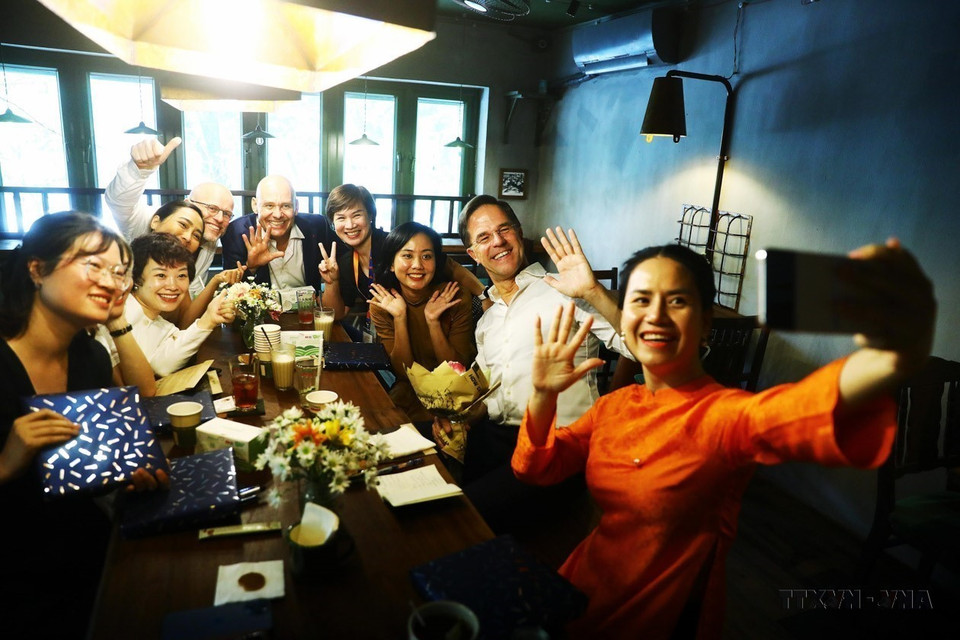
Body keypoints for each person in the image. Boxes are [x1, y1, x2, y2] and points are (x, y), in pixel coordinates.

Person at [512, 241, 936, 639]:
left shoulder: (725, 415)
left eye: (677, 300)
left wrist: (893, 354)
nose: (656, 315)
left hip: (657, 617)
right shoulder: (616, 405)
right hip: (580, 589)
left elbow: (806, 407)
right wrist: (542, 394)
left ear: (706, 322)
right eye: (641, 300)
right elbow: (534, 468)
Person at [0, 212, 169, 638]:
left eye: (118, 272)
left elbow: (85, 471)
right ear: (37, 269)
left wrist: (125, 476)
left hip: (87, 551)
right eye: (92, 265)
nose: (112, 283)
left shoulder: (90, 359)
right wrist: (4, 464)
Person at [434, 194, 632, 532]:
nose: (497, 241)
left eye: (504, 229)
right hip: (494, 441)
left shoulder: (566, 289)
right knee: (423, 486)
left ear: (519, 232)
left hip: (559, 446)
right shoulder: (487, 321)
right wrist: (461, 418)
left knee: (462, 517)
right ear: (473, 254)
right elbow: (490, 396)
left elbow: (637, 347)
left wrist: (594, 291)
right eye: (483, 237)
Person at [318, 184, 486, 322]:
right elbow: (338, 313)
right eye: (341, 218)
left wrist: (486, 297)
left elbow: (451, 267)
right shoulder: (346, 261)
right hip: (399, 324)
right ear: (333, 223)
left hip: (449, 313)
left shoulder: (393, 242)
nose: (349, 225)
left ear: (370, 215)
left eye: (356, 215)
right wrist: (332, 282)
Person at [368, 222, 476, 422]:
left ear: (436, 262)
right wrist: (400, 317)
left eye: (427, 256)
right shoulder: (382, 304)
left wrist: (433, 321)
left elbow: (456, 369)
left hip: (454, 391)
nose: (417, 265)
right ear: (391, 264)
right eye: (407, 256)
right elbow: (403, 373)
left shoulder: (456, 296)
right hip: (409, 390)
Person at [105, 136, 235, 297]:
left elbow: (190, 293)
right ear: (188, 203)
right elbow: (118, 201)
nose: (220, 219)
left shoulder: (207, 242)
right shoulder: (150, 219)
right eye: (212, 208)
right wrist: (139, 170)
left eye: (227, 214)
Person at [124, 233, 234, 377]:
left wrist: (209, 319)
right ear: (136, 278)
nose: (173, 286)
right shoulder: (120, 314)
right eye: (161, 275)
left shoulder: (162, 325)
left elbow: (161, 366)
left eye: (181, 276)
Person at [221, 174, 334, 291]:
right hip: (264, 309)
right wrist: (252, 267)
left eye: (286, 206)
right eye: (269, 206)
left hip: (307, 308)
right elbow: (232, 292)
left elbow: (345, 259)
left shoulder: (317, 226)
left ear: (296, 207)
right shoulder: (236, 232)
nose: (278, 215)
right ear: (255, 205)